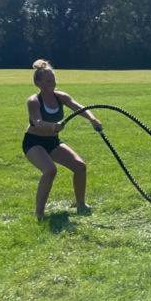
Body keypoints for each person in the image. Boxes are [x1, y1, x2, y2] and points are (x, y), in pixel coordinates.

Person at [22, 59, 103, 220]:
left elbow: (79, 107)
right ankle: (39, 213)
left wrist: (93, 119)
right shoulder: (33, 101)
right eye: (47, 80)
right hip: (34, 142)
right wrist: (52, 126)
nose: (52, 83)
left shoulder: (61, 97)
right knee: (50, 170)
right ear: (38, 83)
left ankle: (81, 204)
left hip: (53, 142)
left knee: (80, 166)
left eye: (53, 79)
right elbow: (37, 123)